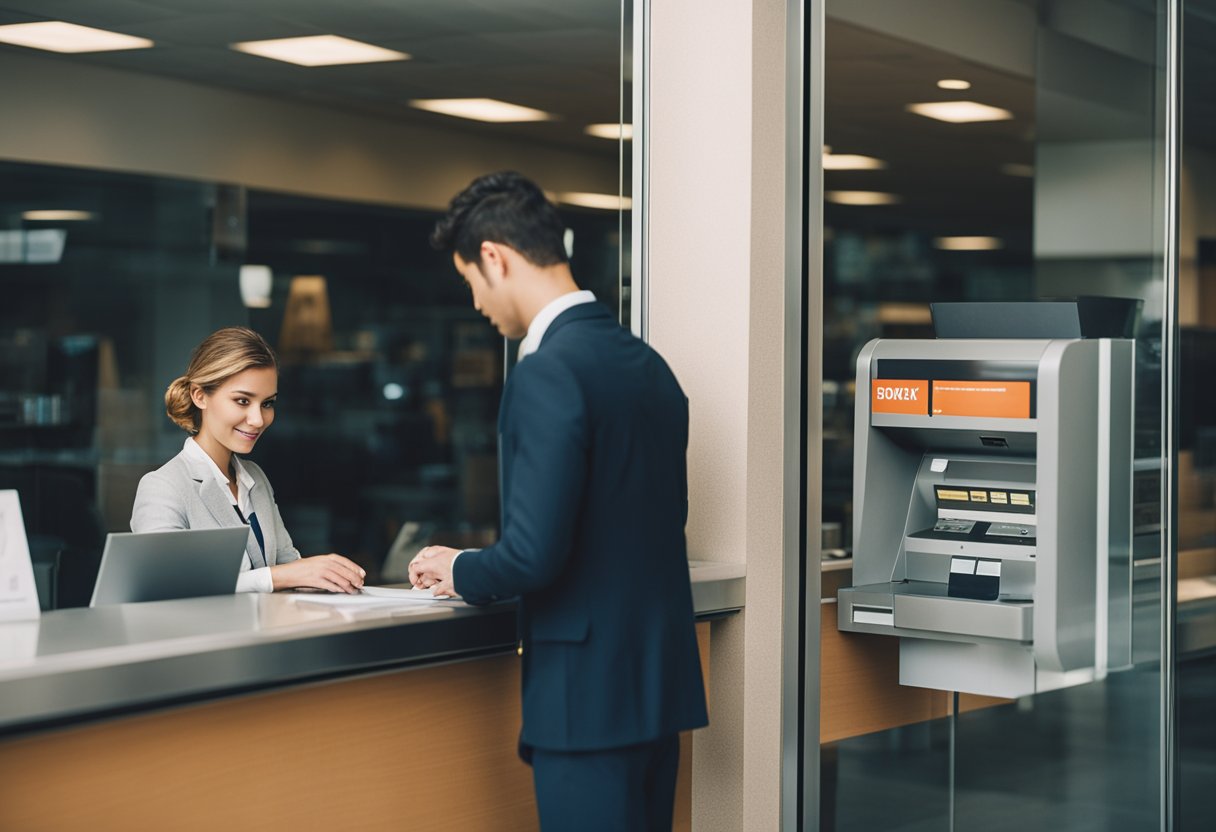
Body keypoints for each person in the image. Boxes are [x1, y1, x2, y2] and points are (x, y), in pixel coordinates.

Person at [409, 172, 708, 830]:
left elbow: (533, 555)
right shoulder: (648, 366)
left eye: (471, 284)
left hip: (586, 701)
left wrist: (458, 567)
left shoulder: (547, 373)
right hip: (656, 693)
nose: (480, 307)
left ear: (496, 258)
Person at [131, 327, 365, 594]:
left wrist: (327, 576)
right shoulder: (164, 486)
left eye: (267, 403)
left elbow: (288, 565)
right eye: (242, 401)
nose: (258, 419)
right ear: (199, 396)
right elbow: (165, 585)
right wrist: (278, 577)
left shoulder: (255, 479)